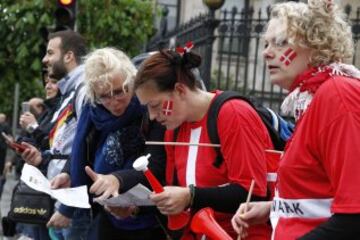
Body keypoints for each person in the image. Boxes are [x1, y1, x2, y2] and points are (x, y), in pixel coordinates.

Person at [231, 1, 360, 239]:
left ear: (316, 44)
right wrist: (274, 207)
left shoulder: (338, 95)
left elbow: (354, 214)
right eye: (266, 44)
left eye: (280, 43)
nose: (266, 52)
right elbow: (322, 193)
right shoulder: (314, 98)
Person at [133, 47, 273, 239]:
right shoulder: (173, 131)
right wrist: (136, 208)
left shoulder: (233, 113)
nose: (152, 116)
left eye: (155, 105)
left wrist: (190, 196)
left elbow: (252, 192)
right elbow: (178, 201)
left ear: (180, 90)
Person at [51, 47, 167, 240]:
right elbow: (83, 148)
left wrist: (117, 179)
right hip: (103, 212)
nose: (114, 102)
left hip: (146, 218)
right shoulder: (93, 109)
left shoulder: (149, 108)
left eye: (119, 91)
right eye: (104, 95)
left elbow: (156, 165)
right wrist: (68, 172)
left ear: (131, 81)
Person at [20, 30, 90, 240]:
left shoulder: (84, 89)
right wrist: (42, 157)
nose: (45, 59)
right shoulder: (69, 92)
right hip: (61, 198)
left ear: (68, 56)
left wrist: (68, 208)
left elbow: (84, 145)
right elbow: (62, 143)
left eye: (50, 53)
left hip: (73, 202)